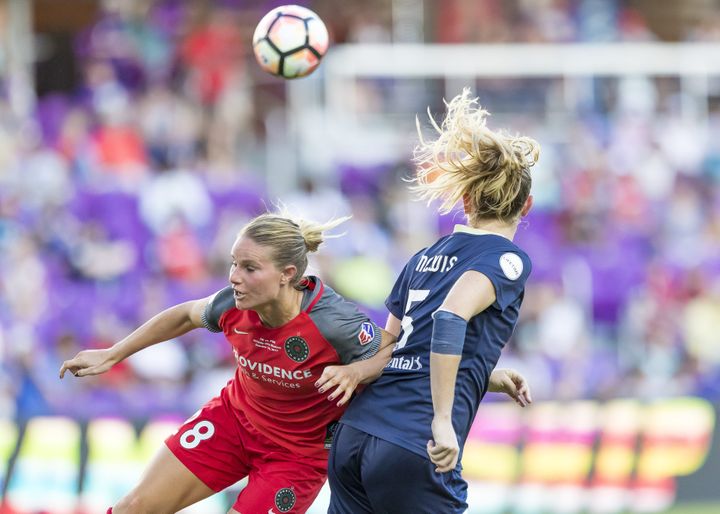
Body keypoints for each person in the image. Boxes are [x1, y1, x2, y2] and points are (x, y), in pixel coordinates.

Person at [59, 208, 532, 514]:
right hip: (233, 423)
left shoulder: (336, 322)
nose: (234, 278)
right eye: (233, 264)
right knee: (133, 508)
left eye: (248, 268)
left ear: (288, 275)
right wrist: (113, 352)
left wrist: (355, 371)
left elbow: (397, 351)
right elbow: (183, 315)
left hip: (297, 459)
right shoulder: (232, 305)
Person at [327, 88, 540, 514]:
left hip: (355, 436)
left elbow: (391, 348)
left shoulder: (424, 256)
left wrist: (485, 376)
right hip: (414, 440)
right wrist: (442, 420)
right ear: (527, 206)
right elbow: (449, 317)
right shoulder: (507, 259)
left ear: (465, 202)